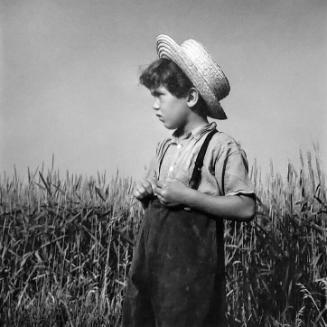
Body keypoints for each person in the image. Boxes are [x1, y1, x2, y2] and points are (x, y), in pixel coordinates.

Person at [122, 34, 256, 327]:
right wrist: (148, 196)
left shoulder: (222, 147)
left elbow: (246, 207)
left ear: (191, 97)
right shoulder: (166, 147)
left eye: (160, 95)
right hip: (151, 267)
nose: (155, 105)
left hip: (191, 277)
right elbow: (161, 212)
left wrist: (188, 197)